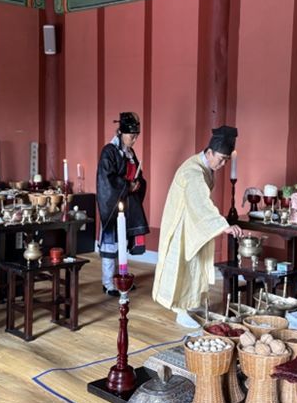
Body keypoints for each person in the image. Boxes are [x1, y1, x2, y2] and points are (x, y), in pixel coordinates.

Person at [152, 125, 244, 328]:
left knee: (195, 264)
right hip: (182, 223)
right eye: (221, 159)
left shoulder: (203, 166)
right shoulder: (193, 171)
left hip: (192, 221)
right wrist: (223, 226)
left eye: (226, 160)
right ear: (209, 152)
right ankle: (180, 310)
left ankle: (190, 303)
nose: (223, 164)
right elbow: (200, 202)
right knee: (184, 264)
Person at [96, 112, 149, 297]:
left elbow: (137, 175)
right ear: (120, 132)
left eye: (136, 136)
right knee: (111, 246)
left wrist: (138, 183)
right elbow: (106, 180)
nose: (134, 140)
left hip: (127, 204)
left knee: (123, 244)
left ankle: (122, 279)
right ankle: (108, 283)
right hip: (112, 205)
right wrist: (127, 185)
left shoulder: (130, 153)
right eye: (131, 136)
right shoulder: (109, 151)